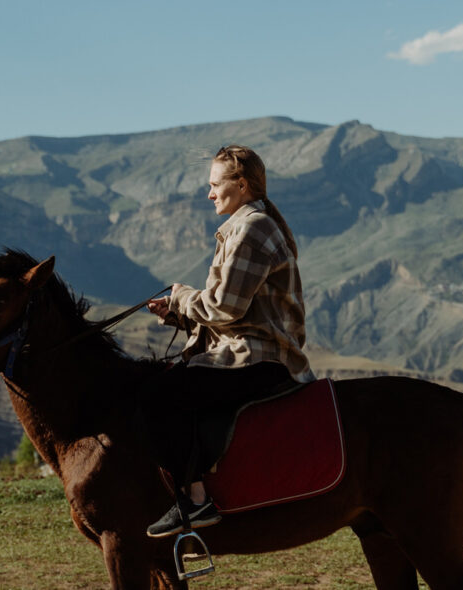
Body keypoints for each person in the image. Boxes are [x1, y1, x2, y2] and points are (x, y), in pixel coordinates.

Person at [144, 145, 315, 538]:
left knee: (162, 393)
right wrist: (176, 312)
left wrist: (181, 297)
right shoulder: (248, 225)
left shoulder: (253, 228)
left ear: (241, 184)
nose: (209, 193)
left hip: (260, 358)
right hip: (246, 349)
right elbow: (232, 312)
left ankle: (195, 499)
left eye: (214, 184)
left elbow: (225, 308)